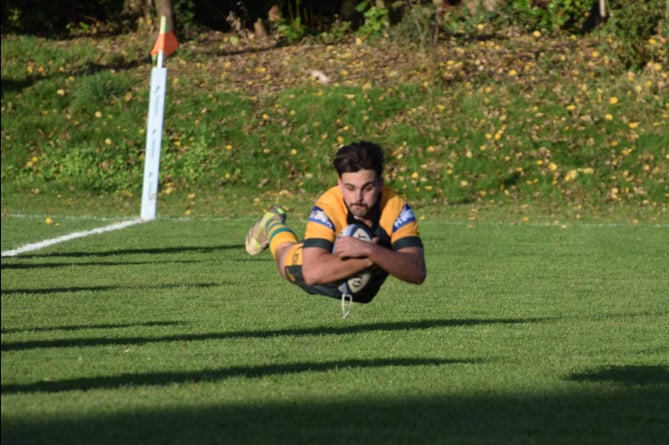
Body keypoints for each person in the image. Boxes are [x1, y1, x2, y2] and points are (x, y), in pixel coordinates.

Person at [245, 141, 426, 315]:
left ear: (380, 182)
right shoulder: (329, 205)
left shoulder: (395, 206)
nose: (358, 197)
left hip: (363, 280)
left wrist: (369, 250)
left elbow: (417, 271)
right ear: (339, 183)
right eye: (350, 187)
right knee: (284, 253)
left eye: (367, 188)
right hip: (320, 263)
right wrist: (370, 260)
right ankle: (271, 223)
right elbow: (312, 274)